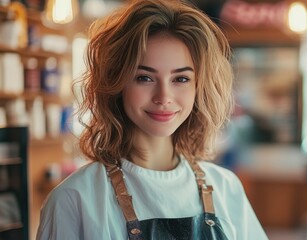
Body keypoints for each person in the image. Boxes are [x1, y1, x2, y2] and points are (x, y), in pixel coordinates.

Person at [36, 0, 268, 239]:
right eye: (145, 78)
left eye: (181, 79)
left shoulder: (225, 187)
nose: (163, 97)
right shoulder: (75, 199)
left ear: (199, 87)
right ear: (117, 83)